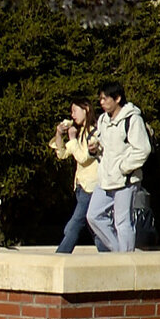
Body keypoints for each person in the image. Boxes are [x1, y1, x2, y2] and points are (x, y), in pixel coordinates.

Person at [86, 82, 152, 254]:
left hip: (125, 180)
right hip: (105, 178)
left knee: (122, 221)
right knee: (93, 215)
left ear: (117, 98)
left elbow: (143, 149)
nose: (101, 102)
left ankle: (126, 259)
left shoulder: (132, 119)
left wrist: (124, 167)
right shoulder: (103, 120)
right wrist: (95, 149)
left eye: (105, 98)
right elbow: (104, 146)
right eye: (100, 99)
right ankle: (119, 252)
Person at [49, 99, 108, 254]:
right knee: (93, 226)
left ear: (86, 109)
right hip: (81, 187)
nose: (72, 115)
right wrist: (59, 134)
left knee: (74, 224)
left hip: (91, 187)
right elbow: (62, 153)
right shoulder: (80, 133)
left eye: (75, 111)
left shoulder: (95, 134)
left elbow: (83, 157)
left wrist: (73, 139)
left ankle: (61, 255)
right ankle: (108, 255)